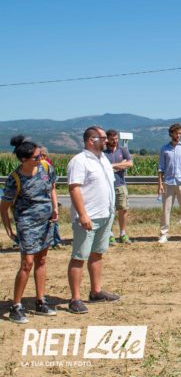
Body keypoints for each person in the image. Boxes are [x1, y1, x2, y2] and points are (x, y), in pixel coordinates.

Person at [1, 136, 59, 323]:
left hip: (46, 222)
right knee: (27, 263)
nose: (40, 158)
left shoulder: (46, 168)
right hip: (27, 225)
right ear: (24, 159)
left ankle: (40, 301)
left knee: (42, 260)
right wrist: (9, 230)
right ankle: (16, 306)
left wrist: (55, 207)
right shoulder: (15, 179)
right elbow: (4, 207)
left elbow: (52, 187)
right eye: (36, 156)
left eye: (41, 154)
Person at [66, 126, 120, 314]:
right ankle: (75, 299)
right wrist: (82, 214)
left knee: (97, 253)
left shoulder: (103, 159)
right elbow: (74, 188)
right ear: (91, 140)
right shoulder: (79, 161)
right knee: (79, 257)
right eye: (103, 138)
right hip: (88, 217)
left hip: (105, 215)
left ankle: (96, 291)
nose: (107, 140)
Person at [104, 129, 133, 245]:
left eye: (116, 139)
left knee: (123, 209)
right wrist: (122, 164)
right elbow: (103, 167)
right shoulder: (103, 152)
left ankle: (122, 234)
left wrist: (113, 165)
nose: (115, 141)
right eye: (112, 139)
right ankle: (109, 234)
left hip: (120, 184)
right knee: (108, 211)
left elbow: (130, 163)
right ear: (107, 139)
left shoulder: (123, 150)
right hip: (107, 186)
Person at [39, 146, 64, 250]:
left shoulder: (48, 166)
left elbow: (53, 185)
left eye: (44, 155)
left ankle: (56, 241)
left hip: (48, 197)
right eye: (41, 155)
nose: (42, 157)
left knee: (54, 220)